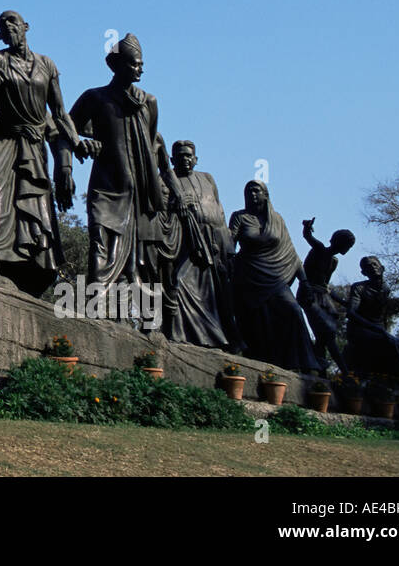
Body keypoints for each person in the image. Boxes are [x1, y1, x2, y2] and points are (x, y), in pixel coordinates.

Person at [66, 33, 178, 319]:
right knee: (99, 241)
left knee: (136, 262)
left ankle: (127, 320)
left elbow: (150, 144)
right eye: (135, 64)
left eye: (142, 65)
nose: (141, 69)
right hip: (106, 185)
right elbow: (64, 124)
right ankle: (94, 313)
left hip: (138, 192)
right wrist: (82, 143)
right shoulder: (96, 97)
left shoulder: (149, 102)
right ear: (117, 66)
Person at [0, 11, 78, 295]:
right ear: (0, 36)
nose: (8, 26)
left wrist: (72, 151)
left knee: (34, 205)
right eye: (3, 26)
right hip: (3, 138)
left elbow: (60, 113)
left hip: (34, 145)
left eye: (13, 21)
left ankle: (34, 266)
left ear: (26, 27)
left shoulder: (46, 65)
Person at [228, 181, 321, 372]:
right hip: (248, 277)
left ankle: (303, 365)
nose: (252, 194)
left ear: (265, 195)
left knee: (293, 310)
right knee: (256, 322)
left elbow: (291, 252)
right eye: (248, 191)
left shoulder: (277, 219)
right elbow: (230, 243)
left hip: (276, 277)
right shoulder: (240, 217)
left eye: (256, 191)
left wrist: (304, 281)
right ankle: (262, 362)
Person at [162, 140, 232, 348]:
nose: (185, 158)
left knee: (214, 293)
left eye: (188, 155)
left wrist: (227, 242)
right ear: (172, 159)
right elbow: (159, 206)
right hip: (185, 240)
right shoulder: (166, 178)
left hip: (215, 241)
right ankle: (180, 334)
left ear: (196, 159)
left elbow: (220, 209)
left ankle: (214, 338)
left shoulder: (207, 178)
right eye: (180, 155)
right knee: (179, 283)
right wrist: (177, 204)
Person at [346, 256, 399, 391]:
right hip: (360, 330)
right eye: (368, 266)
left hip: (378, 331)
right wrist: (376, 328)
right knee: (391, 344)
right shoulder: (359, 288)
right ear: (364, 273)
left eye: (375, 264)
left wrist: (381, 329)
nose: (372, 267)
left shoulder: (385, 289)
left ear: (382, 268)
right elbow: (351, 313)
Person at [299, 218, 355, 373]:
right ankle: (345, 372)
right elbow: (308, 237)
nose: (348, 249)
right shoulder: (319, 249)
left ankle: (318, 371)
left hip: (323, 297)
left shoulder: (334, 261)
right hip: (309, 295)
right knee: (328, 332)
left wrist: (343, 302)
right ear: (339, 242)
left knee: (322, 336)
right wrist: (307, 227)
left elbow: (326, 286)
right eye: (348, 245)